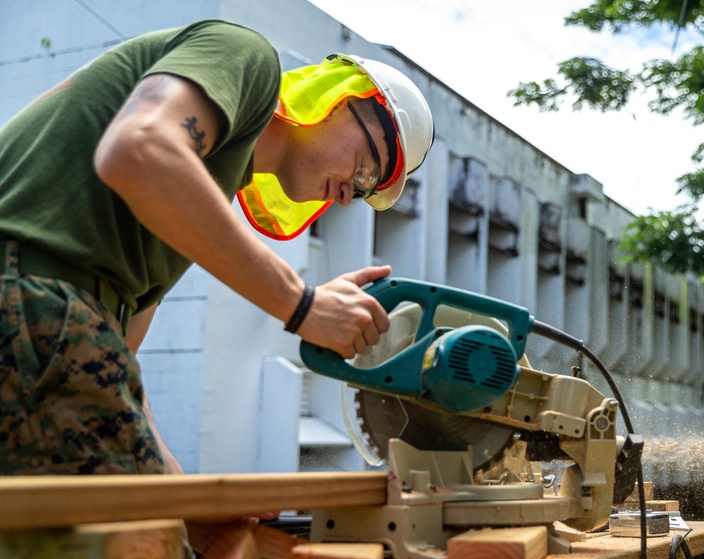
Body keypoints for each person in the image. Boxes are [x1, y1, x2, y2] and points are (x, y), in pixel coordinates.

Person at [0, 20, 432, 479]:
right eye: (367, 168)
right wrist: (304, 304)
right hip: (30, 290)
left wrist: (189, 503)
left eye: (366, 191)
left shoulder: (196, 191)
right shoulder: (245, 54)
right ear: (338, 100)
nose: (350, 194)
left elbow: (120, 352)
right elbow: (136, 148)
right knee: (133, 543)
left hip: (47, 309)